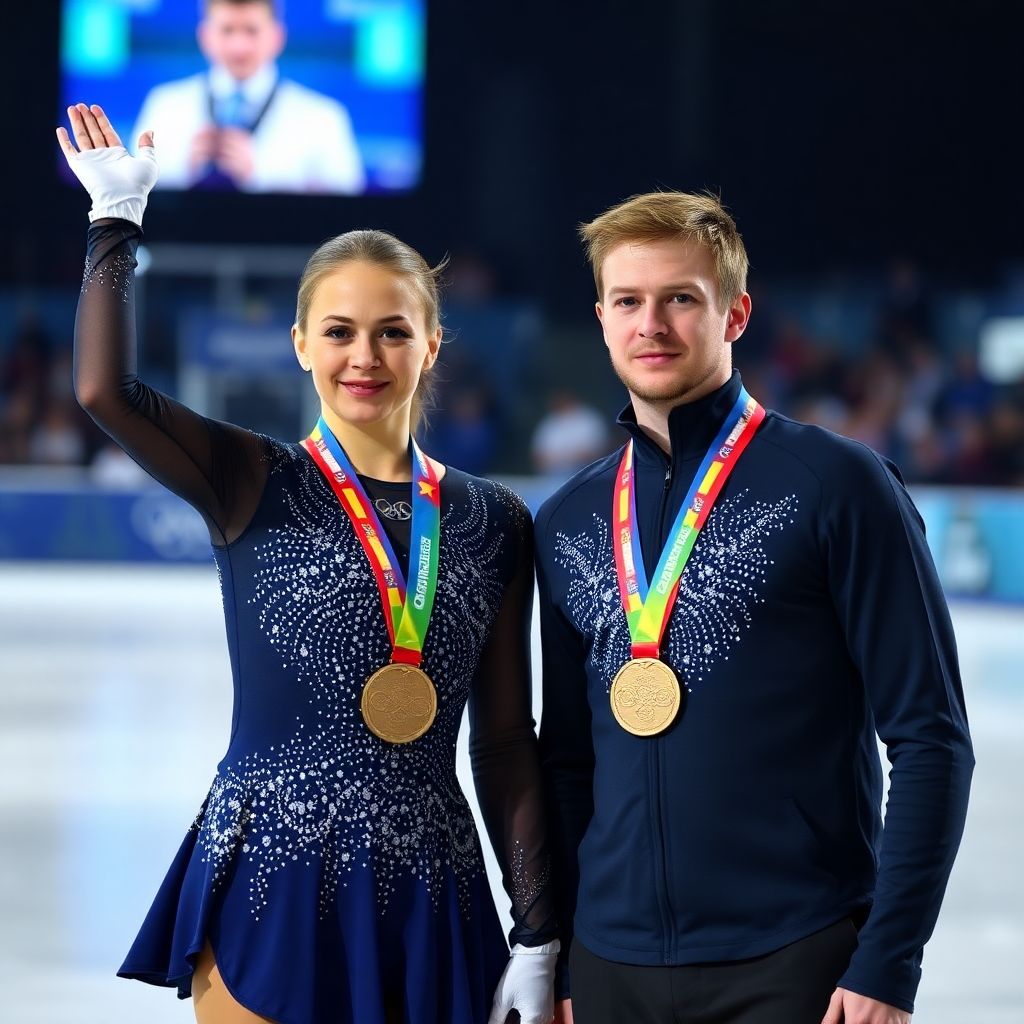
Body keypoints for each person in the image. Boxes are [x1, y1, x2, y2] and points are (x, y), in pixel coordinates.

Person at [57, 102, 556, 1024]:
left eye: (394, 331)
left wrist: (539, 929)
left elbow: (504, 742)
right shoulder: (252, 478)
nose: (364, 355)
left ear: (433, 345)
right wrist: (115, 221)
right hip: (270, 882)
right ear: (300, 347)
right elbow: (104, 392)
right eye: (338, 331)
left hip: (433, 888)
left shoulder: (493, 521)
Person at [534, 191, 974, 1024]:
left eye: (680, 299)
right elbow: (566, 765)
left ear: (735, 314)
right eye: (627, 301)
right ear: (600, 317)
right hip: (609, 971)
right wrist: (560, 957)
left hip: (793, 961)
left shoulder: (839, 486)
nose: (650, 324)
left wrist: (888, 961)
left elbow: (932, 739)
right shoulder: (569, 520)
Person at [132, 0, 364, 194]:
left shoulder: (325, 117)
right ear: (205, 36)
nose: (239, 47)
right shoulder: (163, 106)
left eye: (251, 31)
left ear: (277, 37)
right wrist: (185, 169)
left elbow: (348, 209)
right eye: (227, 30)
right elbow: (129, 193)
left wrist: (261, 174)